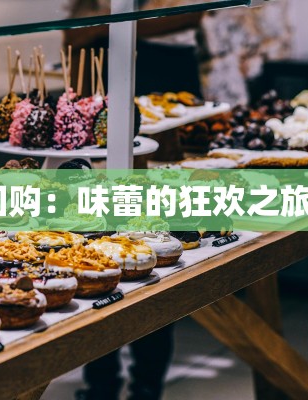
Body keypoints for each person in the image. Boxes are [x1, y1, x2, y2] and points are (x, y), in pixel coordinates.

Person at [65, 2, 204, 399]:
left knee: (153, 254)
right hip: (105, 87)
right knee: (100, 254)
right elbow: (75, 31)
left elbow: (191, 12)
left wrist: (110, 24)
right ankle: (101, 381)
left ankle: (146, 382)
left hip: (163, 77)